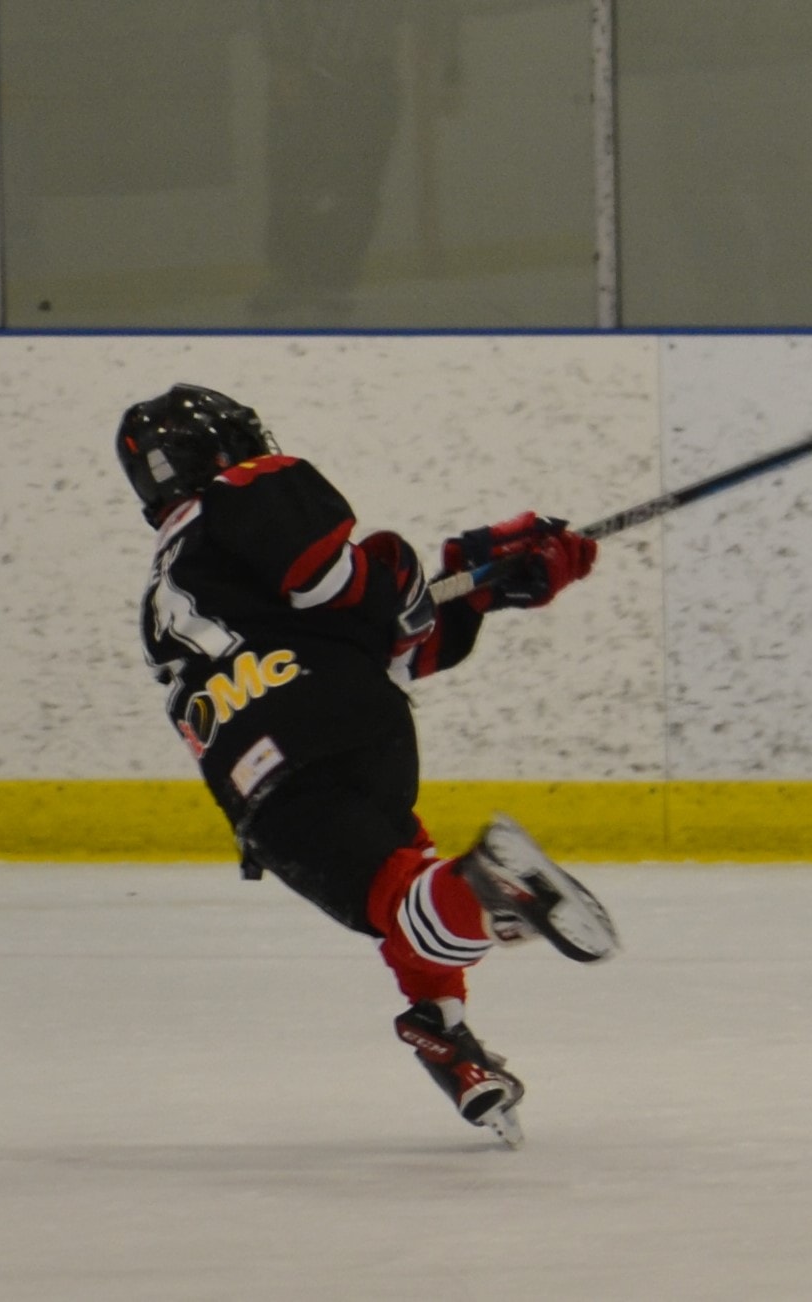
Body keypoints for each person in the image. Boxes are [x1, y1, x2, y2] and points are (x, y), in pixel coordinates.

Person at [119, 383, 615, 1143]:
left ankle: (488, 891)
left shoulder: (165, 593)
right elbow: (335, 588)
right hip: (349, 718)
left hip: (263, 769)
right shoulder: (251, 483)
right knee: (402, 889)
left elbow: (349, 619)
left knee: (389, 896)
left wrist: (475, 581)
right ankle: (444, 1024)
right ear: (224, 448)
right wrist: (447, 577)